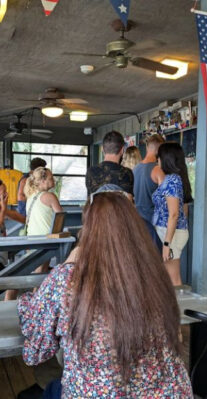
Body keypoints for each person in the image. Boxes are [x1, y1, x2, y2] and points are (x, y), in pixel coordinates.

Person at [17, 191, 192, 397]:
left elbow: (35, 350)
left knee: (47, 389)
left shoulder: (68, 278)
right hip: (169, 392)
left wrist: (67, 264)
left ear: (87, 231)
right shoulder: (155, 275)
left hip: (97, 393)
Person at [6, 167, 63, 300]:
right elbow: (60, 215)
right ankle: (36, 300)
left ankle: (36, 299)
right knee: (40, 273)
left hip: (32, 240)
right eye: (50, 178)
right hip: (46, 241)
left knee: (39, 272)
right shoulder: (49, 196)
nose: (53, 180)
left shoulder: (31, 197)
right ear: (42, 181)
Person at [153, 143, 193, 286]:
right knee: (169, 276)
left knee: (173, 278)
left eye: (159, 156)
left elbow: (174, 213)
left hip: (171, 235)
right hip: (169, 233)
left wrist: (166, 243)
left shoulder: (172, 180)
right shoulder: (174, 178)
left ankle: (178, 308)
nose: (157, 160)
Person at [133, 135, 165, 250]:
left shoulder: (135, 169)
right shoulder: (158, 171)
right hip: (154, 224)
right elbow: (165, 200)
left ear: (147, 147)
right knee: (157, 261)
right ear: (160, 150)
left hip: (138, 221)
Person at [85, 130, 133, 198]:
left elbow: (90, 200)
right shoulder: (126, 173)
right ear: (122, 150)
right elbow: (128, 201)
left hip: (97, 208)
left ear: (102, 149)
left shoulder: (91, 171)